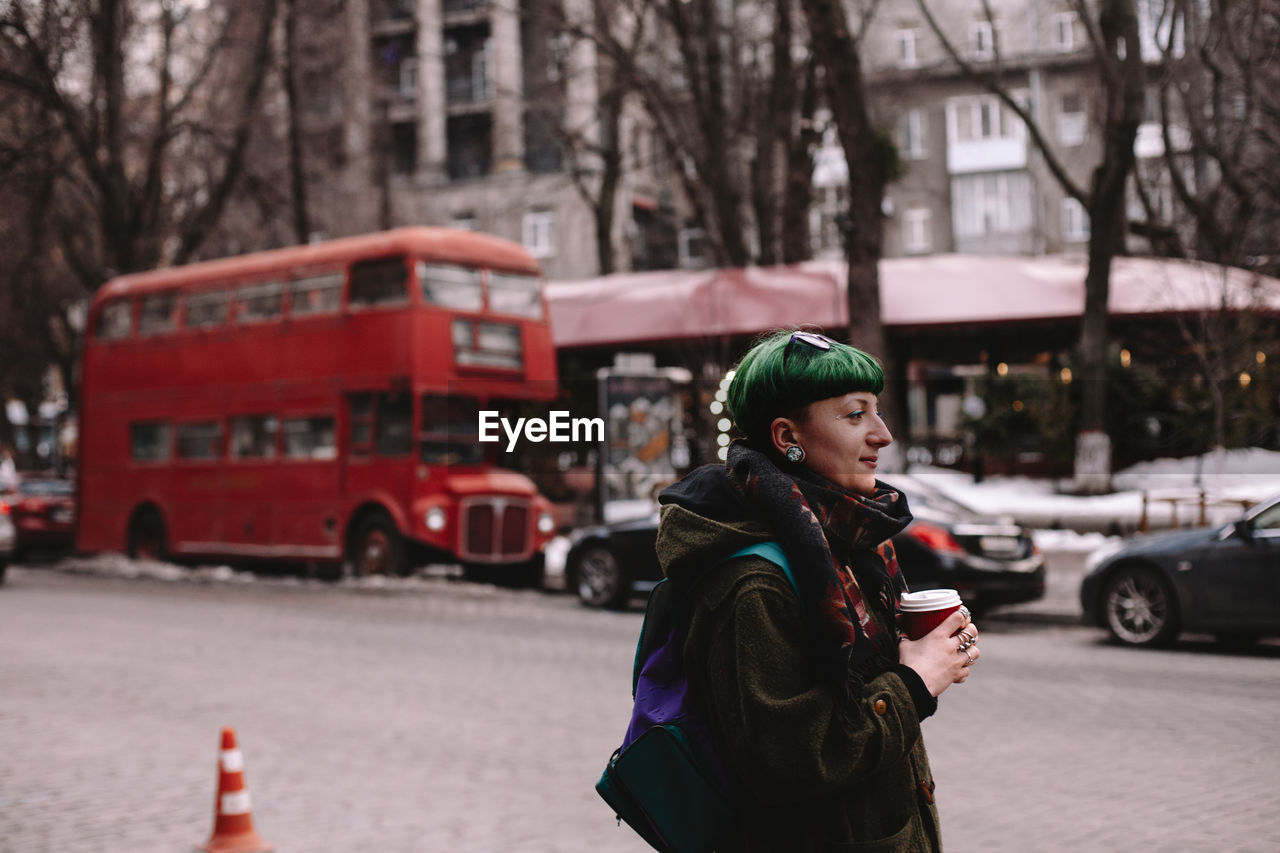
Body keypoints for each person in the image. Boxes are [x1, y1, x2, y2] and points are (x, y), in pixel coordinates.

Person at [656, 329, 980, 852]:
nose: (883, 434)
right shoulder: (752, 585)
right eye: (856, 415)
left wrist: (929, 653)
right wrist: (916, 681)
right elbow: (794, 760)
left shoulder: (845, 541)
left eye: (877, 411)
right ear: (788, 437)